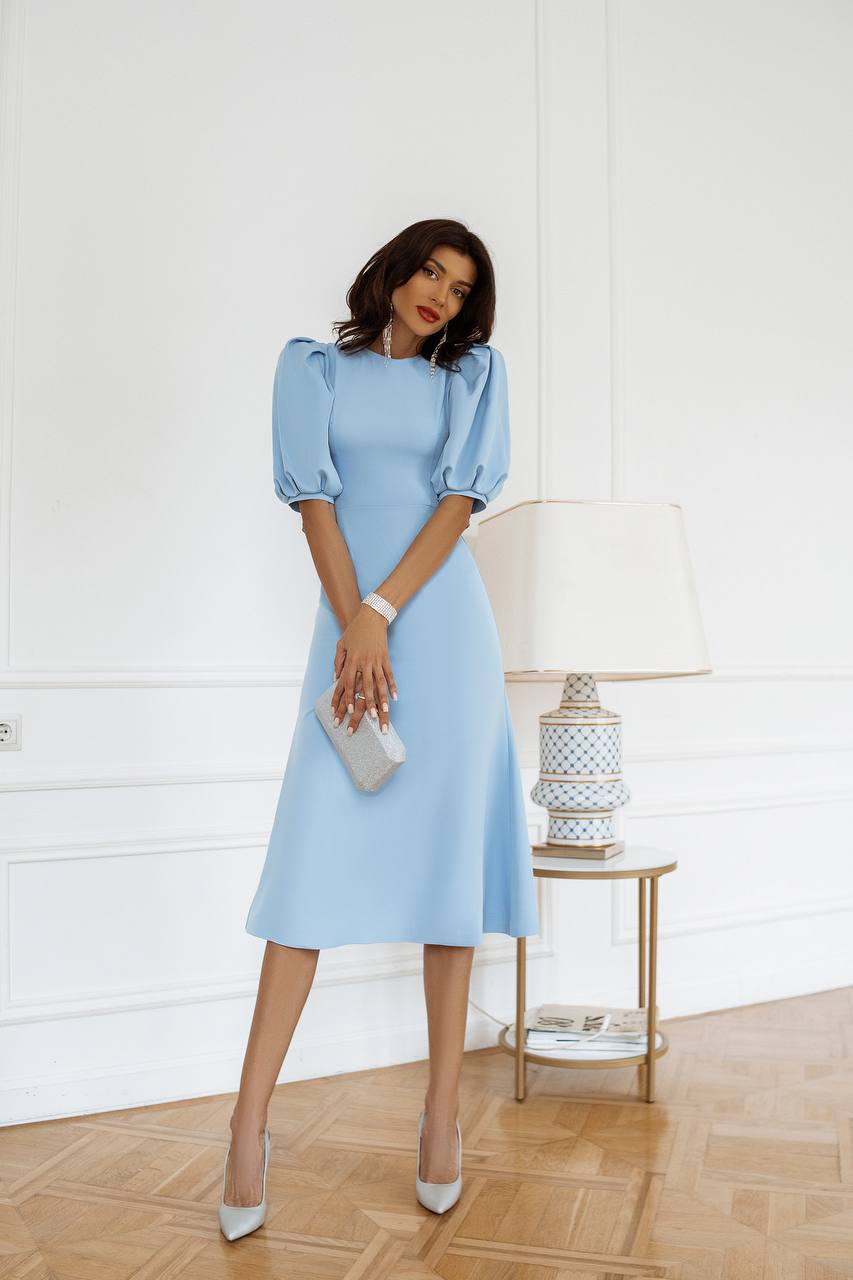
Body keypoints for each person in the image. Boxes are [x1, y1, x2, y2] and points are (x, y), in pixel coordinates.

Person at [219, 218, 539, 1238]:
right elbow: (314, 501)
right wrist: (352, 621)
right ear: (394, 272)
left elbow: (456, 505)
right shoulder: (310, 369)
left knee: (449, 883)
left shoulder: (473, 376)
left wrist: (382, 614)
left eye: (460, 283)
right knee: (309, 874)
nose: (439, 292)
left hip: (439, 631)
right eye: (429, 270)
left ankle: (441, 1112)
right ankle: (246, 1122)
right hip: (348, 628)